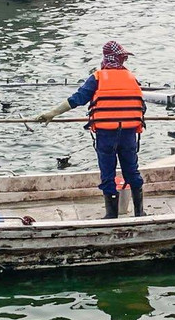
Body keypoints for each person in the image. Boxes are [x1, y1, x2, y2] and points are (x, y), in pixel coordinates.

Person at [35, 41, 147, 218]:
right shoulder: (131, 78)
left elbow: (77, 99)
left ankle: (111, 215)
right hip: (128, 133)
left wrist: (52, 113)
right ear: (121, 59)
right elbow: (141, 106)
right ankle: (140, 213)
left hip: (106, 134)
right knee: (131, 170)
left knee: (108, 173)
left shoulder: (97, 77)